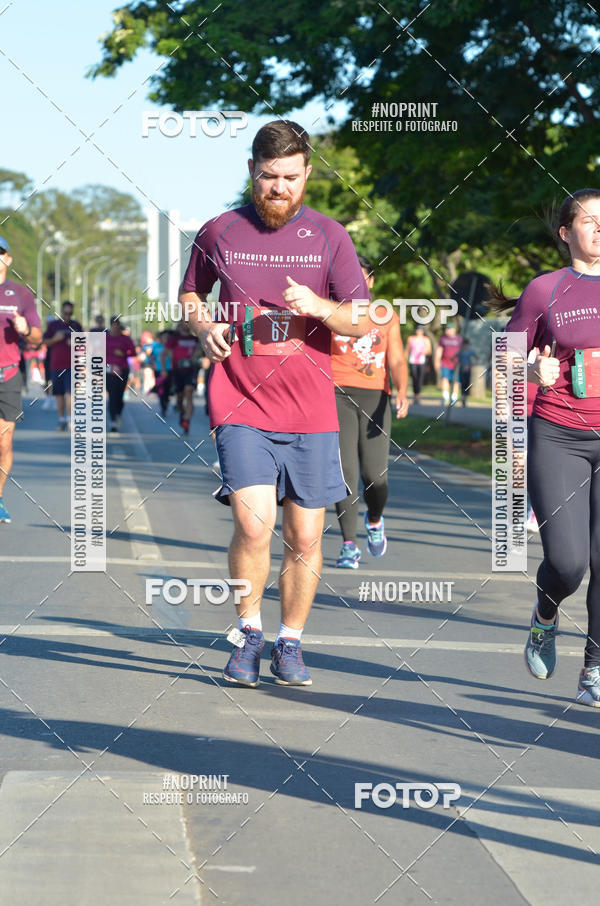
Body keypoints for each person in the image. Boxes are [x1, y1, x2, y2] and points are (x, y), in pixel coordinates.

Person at [180, 120, 370, 687]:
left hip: (310, 408)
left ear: (307, 174)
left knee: (307, 537)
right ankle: (248, 633)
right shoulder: (219, 232)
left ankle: (290, 642)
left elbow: (361, 317)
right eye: (268, 177)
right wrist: (201, 325)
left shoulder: (331, 237)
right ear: (251, 172)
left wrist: (317, 304)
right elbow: (191, 293)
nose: (279, 188)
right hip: (239, 399)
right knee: (254, 524)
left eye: (290, 177)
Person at [502, 187, 600, 707]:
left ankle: (595, 668)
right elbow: (506, 364)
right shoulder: (545, 291)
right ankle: (544, 616)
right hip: (559, 434)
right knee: (568, 562)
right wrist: (530, 370)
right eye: (589, 220)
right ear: (566, 233)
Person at [331, 256, 409, 568]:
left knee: (375, 477)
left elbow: (398, 360)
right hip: (335, 395)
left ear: (372, 282)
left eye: (361, 278)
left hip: (375, 397)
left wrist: (402, 390)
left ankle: (374, 519)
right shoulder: (329, 312)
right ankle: (349, 544)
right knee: (345, 473)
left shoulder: (384, 314)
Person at [0, 236, 42, 523]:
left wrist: (26, 329)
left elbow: (37, 338)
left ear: (7, 259)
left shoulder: (21, 295)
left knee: (3, 444)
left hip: (8, 374)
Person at [43, 300, 82, 430]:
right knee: (59, 394)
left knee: (70, 393)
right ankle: (61, 420)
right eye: (65, 312)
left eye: (69, 313)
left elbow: (84, 343)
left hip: (72, 365)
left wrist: (76, 342)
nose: (67, 315)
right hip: (56, 365)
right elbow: (45, 342)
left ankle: (71, 420)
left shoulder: (76, 325)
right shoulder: (54, 325)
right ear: (62, 312)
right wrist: (55, 339)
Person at [162, 321, 201, 434]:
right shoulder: (173, 340)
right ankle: (182, 412)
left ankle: (187, 420)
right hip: (177, 371)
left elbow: (204, 353)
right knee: (179, 397)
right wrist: (164, 369)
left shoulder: (195, 340)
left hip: (191, 371)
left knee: (189, 393)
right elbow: (163, 354)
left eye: (187, 325)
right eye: (182, 326)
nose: (185, 328)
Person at [106, 316, 136, 431]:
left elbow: (133, 352)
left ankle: (118, 412)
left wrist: (123, 353)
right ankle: (113, 419)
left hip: (122, 369)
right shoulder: (105, 338)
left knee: (119, 395)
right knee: (112, 394)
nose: (114, 327)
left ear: (119, 326)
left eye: (116, 325)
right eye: (112, 325)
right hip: (109, 371)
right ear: (110, 326)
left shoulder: (125, 339)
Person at [434, 322, 462, 407]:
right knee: (445, 379)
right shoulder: (443, 339)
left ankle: (454, 397)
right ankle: (445, 396)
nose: (447, 331)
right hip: (445, 362)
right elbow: (439, 350)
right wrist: (437, 361)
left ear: (453, 330)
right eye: (446, 329)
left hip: (456, 363)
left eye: (449, 329)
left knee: (456, 381)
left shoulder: (459, 339)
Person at [406, 325, 432, 404]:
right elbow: (407, 350)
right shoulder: (411, 339)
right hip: (413, 361)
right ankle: (415, 394)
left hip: (421, 361)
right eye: (418, 330)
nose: (419, 332)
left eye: (420, 330)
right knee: (414, 377)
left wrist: (425, 351)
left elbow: (430, 351)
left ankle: (418, 395)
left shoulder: (426, 340)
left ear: (422, 332)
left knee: (420, 378)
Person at [458, 338, 478, 406]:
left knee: (467, 383)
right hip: (462, 369)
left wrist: (473, 364)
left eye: (466, 345)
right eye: (464, 345)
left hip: (468, 370)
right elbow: (453, 358)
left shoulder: (470, 351)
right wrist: (459, 363)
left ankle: (465, 398)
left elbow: (477, 357)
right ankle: (463, 397)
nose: (465, 346)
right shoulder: (460, 352)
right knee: (462, 383)